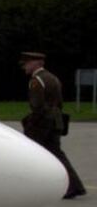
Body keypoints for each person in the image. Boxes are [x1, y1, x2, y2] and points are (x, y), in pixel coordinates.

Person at [19, 51, 86, 199]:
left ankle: (31, 186)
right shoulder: (52, 78)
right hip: (55, 120)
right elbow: (60, 102)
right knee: (57, 154)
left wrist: (31, 124)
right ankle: (74, 186)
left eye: (27, 63)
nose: (25, 67)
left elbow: (37, 106)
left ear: (37, 63)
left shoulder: (37, 80)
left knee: (31, 154)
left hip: (42, 123)